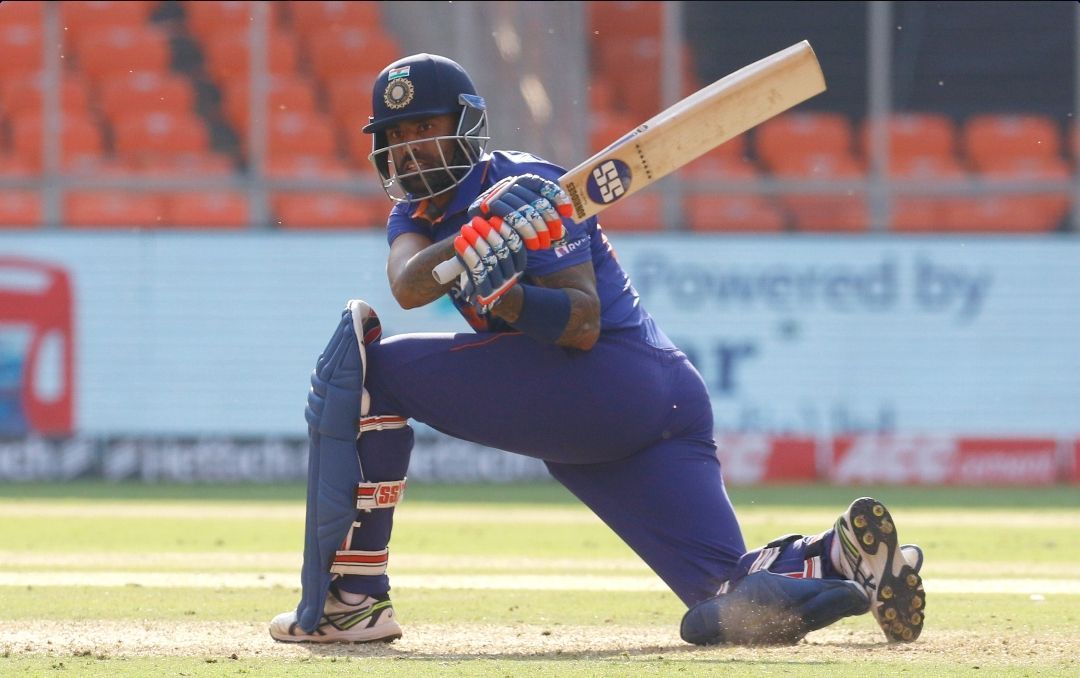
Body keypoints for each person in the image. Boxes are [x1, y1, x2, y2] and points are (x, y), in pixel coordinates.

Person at [268, 53, 926, 646]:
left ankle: (353, 602)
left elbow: (581, 323)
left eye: (423, 129)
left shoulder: (532, 184)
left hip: (609, 381)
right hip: (637, 416)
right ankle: (834, 561)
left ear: (466, 127)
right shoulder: (420, 214)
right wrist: (475, 239)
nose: (409, 151)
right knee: (720, 604)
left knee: (369, 369)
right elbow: (410, 284)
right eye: (396, 138)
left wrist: (509, 300)